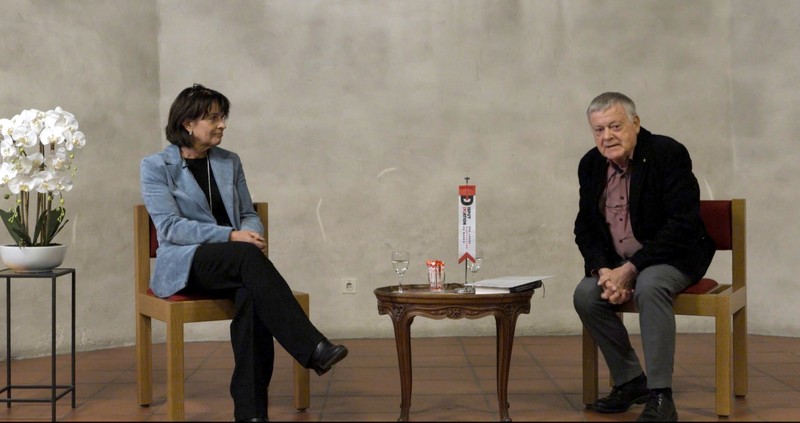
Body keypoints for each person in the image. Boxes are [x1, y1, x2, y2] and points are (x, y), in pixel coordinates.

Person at [140, 84, 348, 422]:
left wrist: (254, 233)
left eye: (223, 117)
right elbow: (170, 229)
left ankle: (252, 415)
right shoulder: (155, 167)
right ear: (188, 123)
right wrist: (233, 235)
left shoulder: (229, 162)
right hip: (187, 263)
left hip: (236, 265)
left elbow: (249, 212)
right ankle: (311, 347)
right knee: (246, 258)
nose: (222, 125)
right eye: (213, 118)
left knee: (252, 296)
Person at [573, 92, 715, 422]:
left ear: (635, 123)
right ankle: (630, 380)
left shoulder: (667, 153)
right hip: (618, 263)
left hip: (673, 257)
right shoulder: (590, 164)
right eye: (598, 130)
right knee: (585, 294)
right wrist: (604, 269)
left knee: (649, 285)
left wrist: (632, 269)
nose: (606, 137)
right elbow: (586, 226)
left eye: (615, 126)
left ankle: (661, 396)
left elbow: (683, 224)